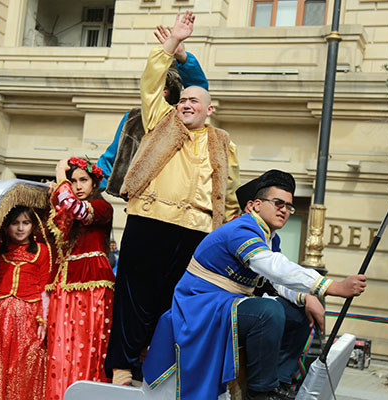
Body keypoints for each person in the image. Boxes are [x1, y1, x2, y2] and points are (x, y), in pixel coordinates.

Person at [142, 170, 367, 400]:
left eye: (289, 206)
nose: (284, 210)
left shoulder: (269, 238)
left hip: (226, 304)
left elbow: (275, 280)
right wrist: (333, 287)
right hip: (201, 307)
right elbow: (273, 266)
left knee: (297, 312)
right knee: (267, 311)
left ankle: (280, 384)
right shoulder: (240, 229)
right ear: (256, 205)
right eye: (278, 203)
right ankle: (261, 392)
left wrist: (306, 297)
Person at [104, 11, 241, 385]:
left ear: (210, 109)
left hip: (196, 232)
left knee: (172, 304)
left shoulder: (222, 143)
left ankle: (154, 368)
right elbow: (151, 80)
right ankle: (121, 366)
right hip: (149, 221)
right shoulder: (160, 121)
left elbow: (229, 196)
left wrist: (228, 237)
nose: (186, 103)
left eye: (195, 100)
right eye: (182, 99)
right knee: (134, 299)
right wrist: (172, 43)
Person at [96, 24, 209, 193]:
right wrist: (91, 181)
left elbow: (199, 92)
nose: (158, 91)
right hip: (140, 197)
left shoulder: (185, 117)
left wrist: (182, 56)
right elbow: (112, 156)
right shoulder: (134, 117)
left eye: (164, 87)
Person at [45, 157, 115, 400]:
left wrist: (60, 177)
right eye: (72, 181)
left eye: (83, 180)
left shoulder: (102, 207)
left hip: (92, 288)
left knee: (88, 351)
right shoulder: (66, 209)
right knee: (60, 351)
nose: (77, 186)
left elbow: (77, 209)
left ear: (94, 183)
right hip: (64, 288)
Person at [0, 206, 51, 400]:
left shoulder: (42, 251)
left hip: (29, 318)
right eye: (15, 223)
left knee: (25, 365)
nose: (20, 228)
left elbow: (45, 287)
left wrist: (44, 320)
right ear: (6, 227)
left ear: (33, 226)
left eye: (26, 223)